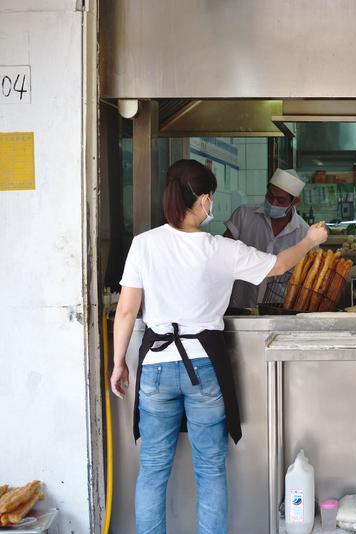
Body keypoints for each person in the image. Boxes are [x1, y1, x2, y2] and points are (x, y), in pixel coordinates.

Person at [109, 159, 327, 534]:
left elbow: (127, 311)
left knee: (153, 468)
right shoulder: (219, 248)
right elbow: (276, 266)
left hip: (156, 369)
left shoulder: (144, 244)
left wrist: (118, 363)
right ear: (205, 199)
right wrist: (309, 241)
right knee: (209, 469)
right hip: (203, 368)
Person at [224, 168, 310, 308]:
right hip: (240, 304)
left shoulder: (304, 234)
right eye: (269, 196)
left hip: (280, 309)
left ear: (295, 201)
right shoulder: (244, 215)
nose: (273, 203)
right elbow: (224, 253)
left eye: (281, 200)